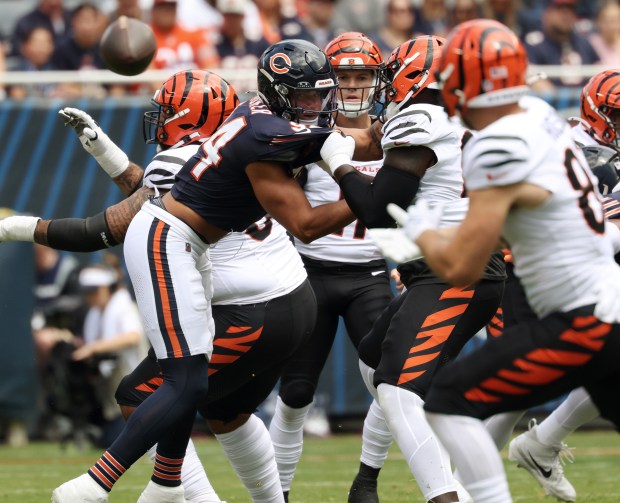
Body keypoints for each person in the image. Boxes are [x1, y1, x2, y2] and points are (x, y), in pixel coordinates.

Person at [41, 39, 373, 503]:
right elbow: (330, 156)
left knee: (152, 391)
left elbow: (105, 225)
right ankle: (193, 491)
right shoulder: (265, 134)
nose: (313, 107)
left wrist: (17, 227)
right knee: (220, 406)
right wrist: (380, 169)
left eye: (169, 110)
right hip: (292, 297)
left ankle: (147, 489)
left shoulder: (253, 130)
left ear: (190, 118)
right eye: (303, 98)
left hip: (248, 306)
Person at [372, 19, 620, 503]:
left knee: (447, 402)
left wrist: (421, 234)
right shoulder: (538, 113)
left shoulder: (495, 143)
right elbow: (541, 196)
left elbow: (463, 267)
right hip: (612, 304)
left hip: (581, 320)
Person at [319, 35, 506, 503]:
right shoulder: (459, 118)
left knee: (398, 390)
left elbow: (380, 212)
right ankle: (366, 481)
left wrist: (339, 164)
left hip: (457, 273)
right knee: (371, 358)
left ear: (414, 75)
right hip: (445, 267)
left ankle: (446, 496)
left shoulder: (421, 116)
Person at [264, 32, 394, 503]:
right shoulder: (302, 131)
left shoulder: (398, 131)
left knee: (392, 381)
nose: (355, 85)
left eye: (363, 76)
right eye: (345, 76)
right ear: (326, 81)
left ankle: (367, 481)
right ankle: (275, 493)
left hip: (371, 273)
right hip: (310, 272)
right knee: (296, 393)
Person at [75, 264, 146, 447]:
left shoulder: (123, 307)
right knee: (107, 439)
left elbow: (132, 336)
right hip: (109, 386)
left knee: (116, 440)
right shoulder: (96, 312)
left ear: (106, 288)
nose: (90, 297)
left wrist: (94, 347)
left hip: (132, 380)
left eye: (94, 291)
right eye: (87, 292)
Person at [523, 0, 599, 91]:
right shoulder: (535, 44)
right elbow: (530, 76)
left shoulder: (584, 43)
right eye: (560, 9)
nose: (566, 15)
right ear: (546, 13)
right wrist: (553, 96)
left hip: (585, 100)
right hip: (549, 101)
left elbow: (599, 71)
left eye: (570, 9)